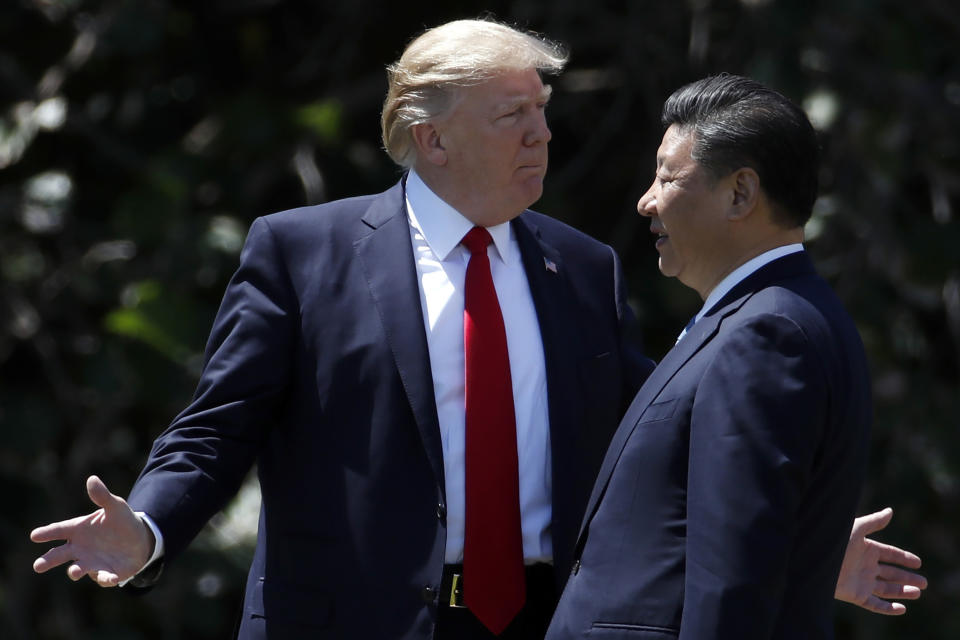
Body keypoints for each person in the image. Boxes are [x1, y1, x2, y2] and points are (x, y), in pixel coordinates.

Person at [30, 22, 923, 640]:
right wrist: (146, 527)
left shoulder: (581, 266)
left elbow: (658, 438)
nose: (542, 136)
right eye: (513, 116)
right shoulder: (305, 254)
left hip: (541, 621)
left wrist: (797, 541)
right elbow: (216, 430)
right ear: (432, 140)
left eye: (542, 110)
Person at [546, 73, 911, 640]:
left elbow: (734, 581)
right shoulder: (768, 318)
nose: (647, 201)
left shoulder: (765, 333)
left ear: (740, 193)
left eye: (667, 178)